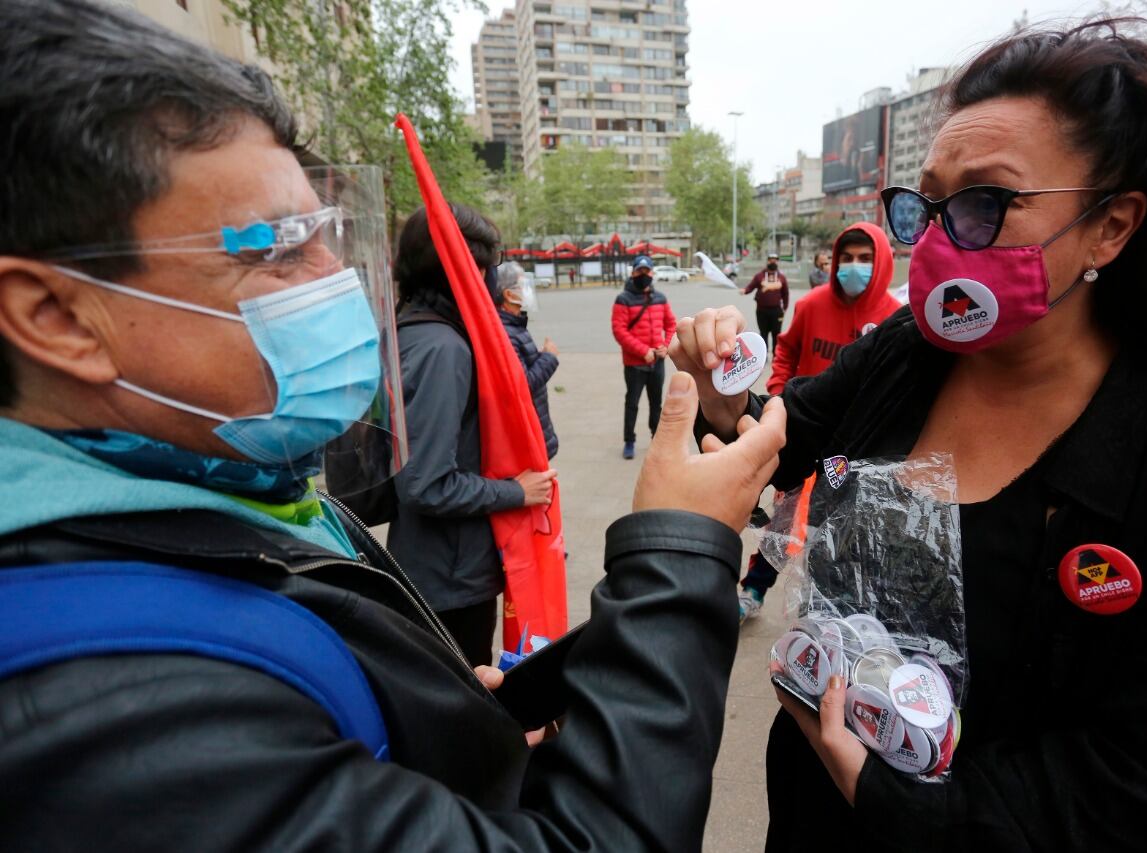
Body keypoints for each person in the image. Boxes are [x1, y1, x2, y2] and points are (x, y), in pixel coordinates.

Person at [0, 2, 790, 848]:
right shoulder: (109, 714)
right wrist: (681, 547)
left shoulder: (232, 481)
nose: (333, 283)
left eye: (330, 240)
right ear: (58, 318)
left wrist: (455, 721)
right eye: (275, 250)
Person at [672, 21, 1147, 850]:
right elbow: (774, 442)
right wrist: (717, 398)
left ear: (1112, 225)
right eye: (927, 203)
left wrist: (901, 805)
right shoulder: (904, 354)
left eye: (986, 202)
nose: (939, 239)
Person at [389, 205, 555, 668]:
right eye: (488, 265)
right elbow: (425, 482)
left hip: (441, 566)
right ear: (466, 270)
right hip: (449, 579)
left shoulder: (418, 331)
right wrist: (516, 491)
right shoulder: (442, 349)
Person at [737, 223, 901, 622]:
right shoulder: (811, 305)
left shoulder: (896, 319)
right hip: (805, 437)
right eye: (847, 258)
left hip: (858, 449)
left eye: (865, 259)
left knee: (842, 530)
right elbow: (787, 349)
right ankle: (753, 589)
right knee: (783, 519)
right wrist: (778, 394)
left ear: (882, 264)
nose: (854, 266)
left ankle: (827, 606)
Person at [611, 255, 677, 460]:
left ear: (652, 273)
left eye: (646, 271)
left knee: (656, 403)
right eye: (639, 271)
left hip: (657, 362)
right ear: (633, 273)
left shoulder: (660, 298)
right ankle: (629, 440)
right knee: (632, 403)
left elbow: (671, 324)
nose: (643, 275)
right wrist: (643, 351)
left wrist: (665, 347)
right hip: (635, 364)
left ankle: (656, 439)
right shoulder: (623, 299)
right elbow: (619, 331)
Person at [493, 262, 560, 459]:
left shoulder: (515, 324)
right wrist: (548, 357)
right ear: (508, 294)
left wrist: (538, 357)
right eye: (522, 285)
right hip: (526, 431)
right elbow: (523, 385)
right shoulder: (506, 331)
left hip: (535, 423)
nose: (527, 291)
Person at [743, 251, 790, 353]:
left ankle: (776, 355)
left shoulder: (781, 277)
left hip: (777, 311)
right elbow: (751, 286)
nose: (773, 262)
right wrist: (745, 291)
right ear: (767, 261)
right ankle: (763, 355)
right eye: (771, 260)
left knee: (776, 334)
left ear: (777, 262)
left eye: (775, 260)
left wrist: (785, 308)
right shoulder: (759, 276)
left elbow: (785, 293)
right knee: (763, 333)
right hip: (762, 311)